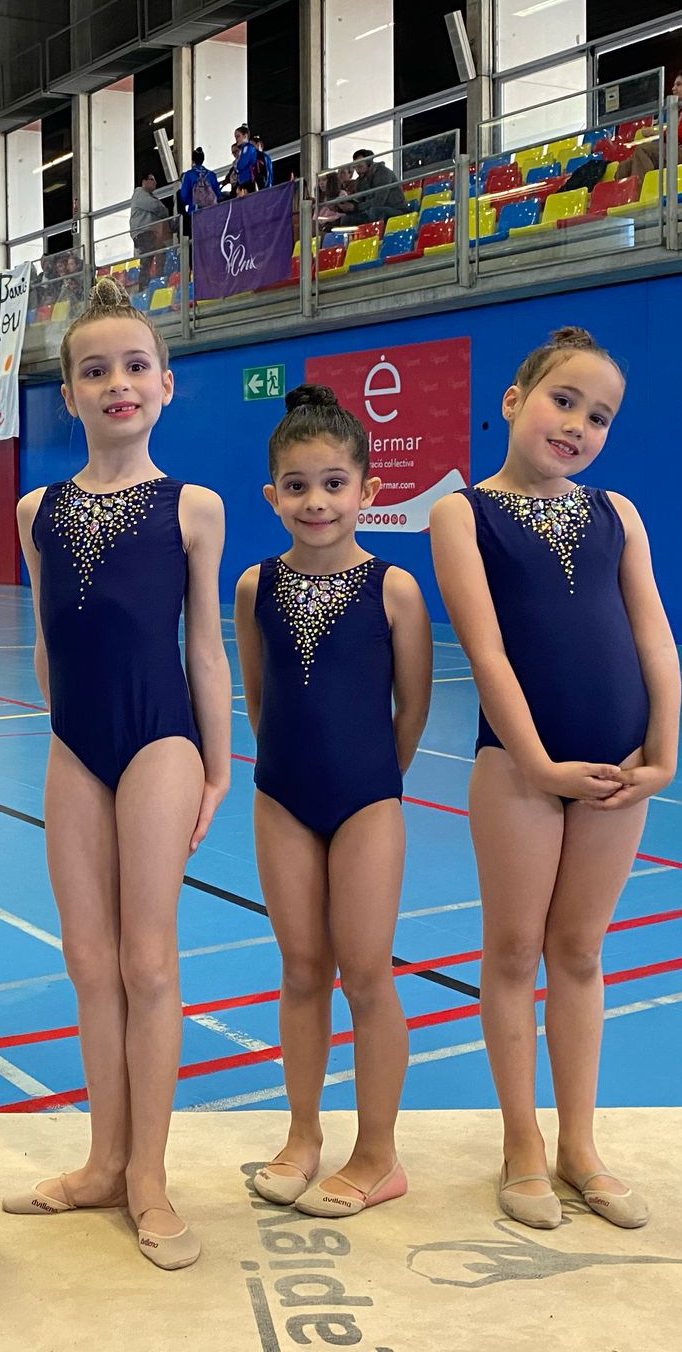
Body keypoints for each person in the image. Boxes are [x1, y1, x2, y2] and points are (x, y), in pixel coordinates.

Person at [428, 326, 679, 1232]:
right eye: (562, 401)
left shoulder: (619, 514)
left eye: (598, 416)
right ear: (513, 400)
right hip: (518, 766)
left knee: (578, 953)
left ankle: (581, 1146)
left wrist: (663, 752)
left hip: (617, 765)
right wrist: (534, 760)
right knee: (512, 953)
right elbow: (486, 651)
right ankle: (521, 1143)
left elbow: (654, 635)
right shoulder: (463, 514)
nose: (577, 425)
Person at [4, 276, 232, 1270]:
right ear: (69, 396)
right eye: (94, 371)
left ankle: (150, 1175)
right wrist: (61, 729)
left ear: (166, 384)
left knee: (147, 961)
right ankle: (103, 1160)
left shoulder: (193, 508)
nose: (117, 384)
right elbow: (47, 642)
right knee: (87, 960)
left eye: (135, 366)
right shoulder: (36, 510)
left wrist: (215, 770)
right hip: (75, 746)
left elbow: (205, 649)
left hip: (159, 742)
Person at [233, 385, 432, 1219]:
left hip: (366, 800)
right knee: (302, 970)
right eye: (297, 485)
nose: (316, 501)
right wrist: (295, 768)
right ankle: (303, 1135)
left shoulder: (395, 589)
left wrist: (375, 780)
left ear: (368, 490)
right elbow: (257, 697)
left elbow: (412, 706)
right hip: (282, 794)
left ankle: (379, 1154)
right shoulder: (254, 586)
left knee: (367, 972)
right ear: (272, 495)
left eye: (333, 483)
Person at [129, 172, 170, 263]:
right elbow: (156, 207)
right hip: (143, 232)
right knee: (150, 254)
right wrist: (163, 210)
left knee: (159, 251)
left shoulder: (148, 196)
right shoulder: (139, 194)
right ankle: (148, 272)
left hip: (148, 233)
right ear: (144, 181)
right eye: (151, 179)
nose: (155, 182)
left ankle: (156, 271)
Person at [178, 147, 222, 219]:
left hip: (195, 212)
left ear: (192, 160)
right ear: (203, 159)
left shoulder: (188, 175)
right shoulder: (212, 175)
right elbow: (218, 194)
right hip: (212, 211)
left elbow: (183, 196)